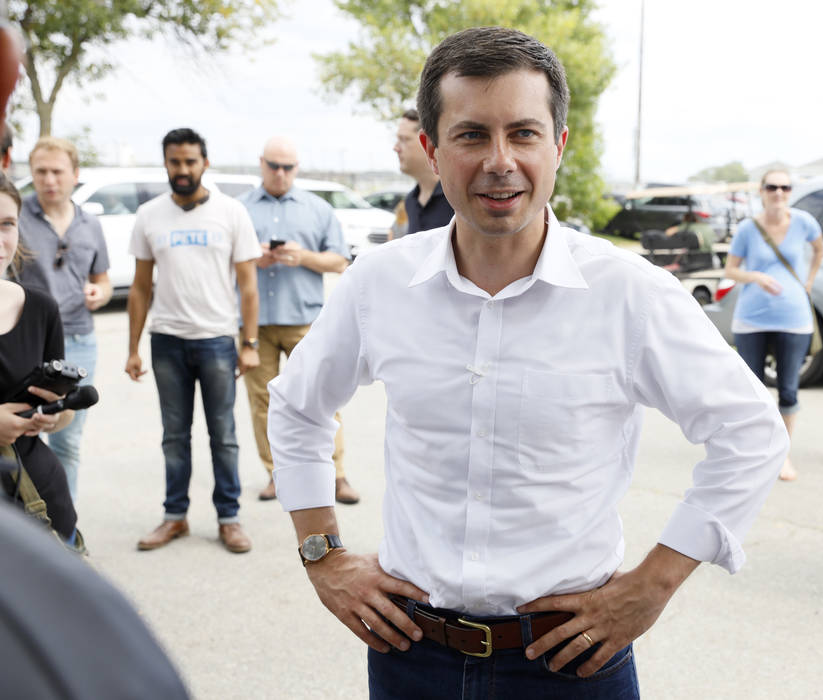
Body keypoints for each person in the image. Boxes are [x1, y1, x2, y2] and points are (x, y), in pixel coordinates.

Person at [268, 27, 788, 698]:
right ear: (431, 148)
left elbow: (750, 433)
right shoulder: (379, 284)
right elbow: (297, 405)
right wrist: (323, 556)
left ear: (558, 145)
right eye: (471, 135)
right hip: (410, 657)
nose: (499, 161)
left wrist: (653, 586)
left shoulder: (628, 293)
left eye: (523, 133)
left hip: (572, 662)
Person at [126, 128, 261, 554]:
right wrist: (132, 348)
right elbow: (140, 287)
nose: (182, 170)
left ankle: (229, 518)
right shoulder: (149, 215)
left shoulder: (231, 212)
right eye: (174, 162)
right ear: (165, 163)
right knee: (174, 435)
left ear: (205, 163)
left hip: (217, 340)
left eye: (190, 161)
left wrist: (249, 342)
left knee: (223, 434)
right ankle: (175, 517)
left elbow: (248, 285)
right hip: (166, 340)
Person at [239, 136, 358, 504]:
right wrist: (250, 257)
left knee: (323, 398)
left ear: (297, 168)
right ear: (261, 164)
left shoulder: (317, 209)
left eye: (287, 167)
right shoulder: (240, 209)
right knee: (262, 402)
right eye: (273, 166)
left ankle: (336, 475)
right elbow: (224, 261)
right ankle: (276, 475)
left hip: (305, 321)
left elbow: (339, 261)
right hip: (255, 323)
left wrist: (302, 257)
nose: (280, 173)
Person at [17, 137, 111, 500]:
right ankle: (26, 528)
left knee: (67, 440)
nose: (49, 180)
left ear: (75, 175)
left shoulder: (90, 223)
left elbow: (102, 281)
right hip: (27, 340)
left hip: (78, 340)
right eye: (40, 171)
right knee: (24, 434)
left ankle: (64, 530)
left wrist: (99, 294)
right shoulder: (14, 218)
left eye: (57, 171)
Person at [723, 169, 823, 481]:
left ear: (790, 191)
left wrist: (808, 281)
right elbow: (730, 270)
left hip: (793, 320)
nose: (778, 192)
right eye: (772, 187)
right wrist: (755, 276)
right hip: (752, 319)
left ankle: (783, 455)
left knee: (788, 390)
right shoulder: (748, 229)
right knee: (751, 390)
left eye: (784, 187)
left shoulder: (804, 222)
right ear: (761, 191)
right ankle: (752, 453)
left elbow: (819, 249)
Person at [0, 174, 78, 543]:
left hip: (42, 503)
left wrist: (53, 417)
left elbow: (64, 414)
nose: (0, 240)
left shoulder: (40, 308)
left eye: (7, 224)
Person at [391, 108, 453, 236]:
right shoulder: (410, 202)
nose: (396, 148)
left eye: (404, 139)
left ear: (427, 143)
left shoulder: (456, 197)